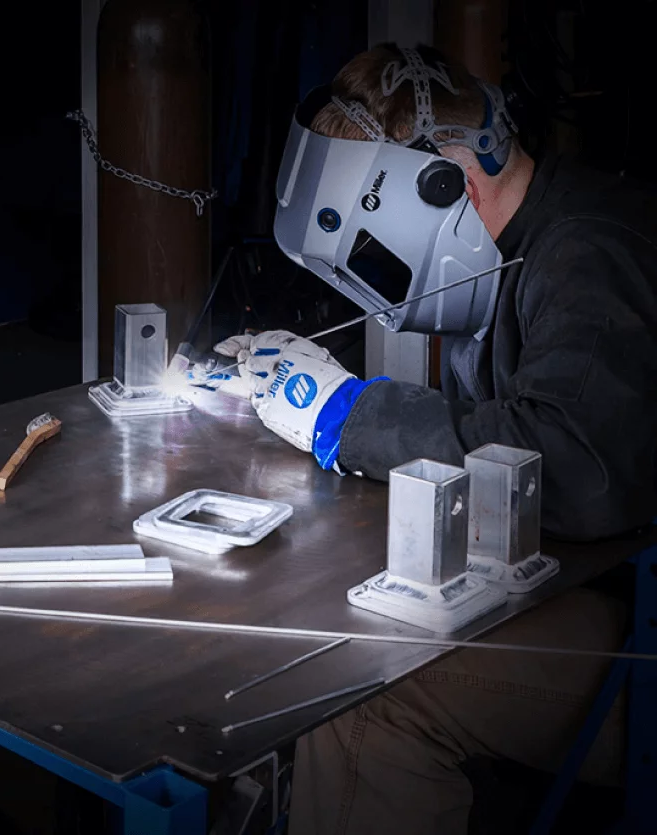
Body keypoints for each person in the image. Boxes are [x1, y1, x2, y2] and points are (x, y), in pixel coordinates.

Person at [209, 44, 657, 834]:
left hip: (637, 626)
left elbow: (573, 468)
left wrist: (344, 415)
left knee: (362, 689)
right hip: (596, 586)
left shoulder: (588, 253)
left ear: (446, 185)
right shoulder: (519, 251)